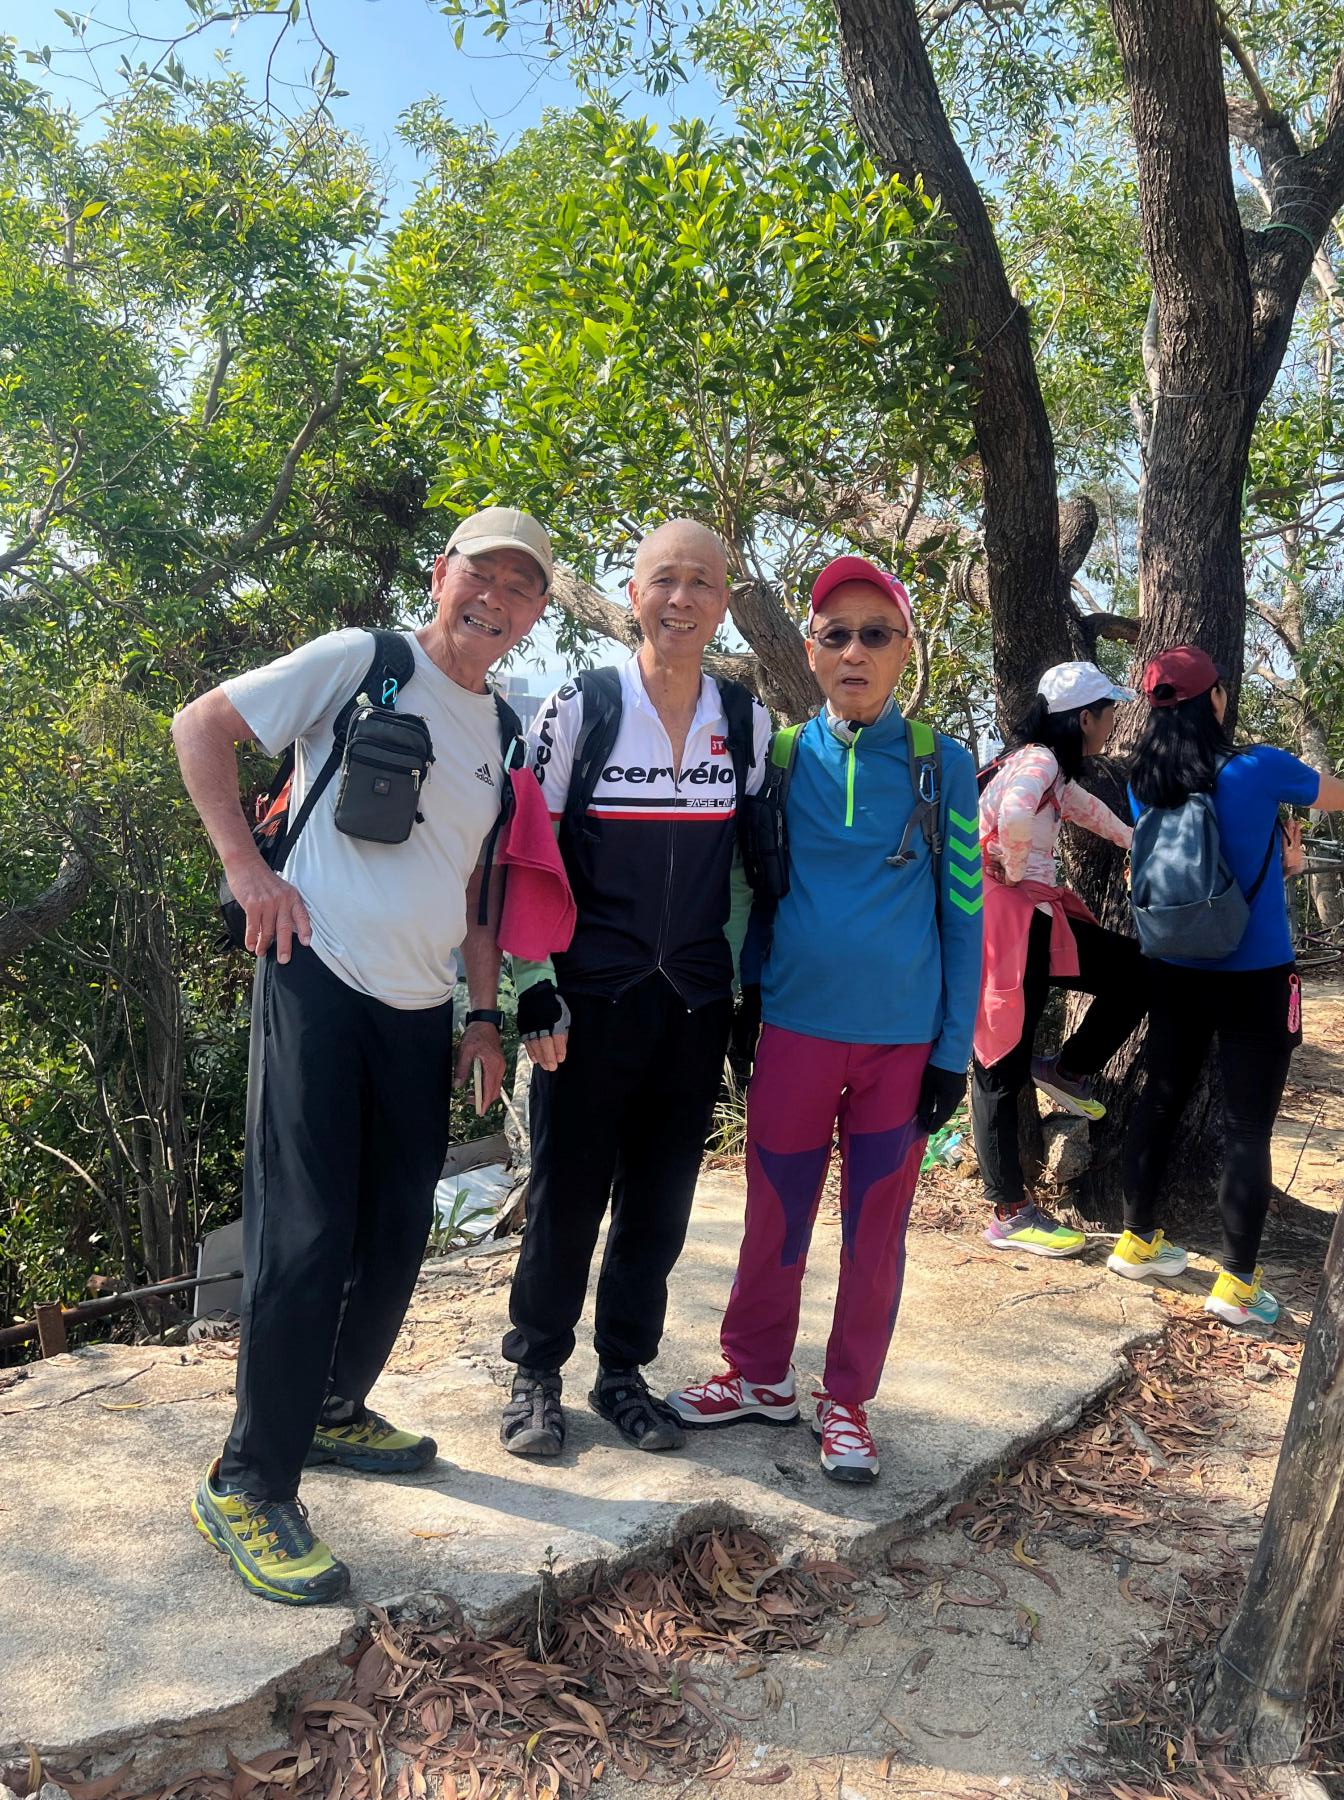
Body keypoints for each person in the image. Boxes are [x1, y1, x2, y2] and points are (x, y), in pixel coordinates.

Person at [172, 506, 553, 1603]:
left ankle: (334, 1407)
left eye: (521, 587)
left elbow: (475, 892)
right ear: (442, 575)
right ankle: (249, 1481)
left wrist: (484, 1017)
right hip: (316, 972)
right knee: (305, 1231)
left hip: (420, 1006)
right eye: (482, 575)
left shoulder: (504, 730)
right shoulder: (363, 663)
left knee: (394, 1230)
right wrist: (247, 872)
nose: (496, 600)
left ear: (536, 612)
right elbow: (201, 727)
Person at [667, 556, 983, 1485]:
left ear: (903, 650)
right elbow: (752, 889)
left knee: (874, 1230)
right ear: (809, 651)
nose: (855, 652)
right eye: (836, 635)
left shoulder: (941, 764)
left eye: (875, 634)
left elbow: (964, 914)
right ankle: (758, 1375)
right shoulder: (780, 757)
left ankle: (846, 1401)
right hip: (796, 1031)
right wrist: (744, 1002)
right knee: (774, 1211)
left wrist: (952, 1052)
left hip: (902, 1045)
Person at [499, 519, 772, 1458]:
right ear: (633, 594)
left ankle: (623, 1373)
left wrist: (742, 993)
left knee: (659, 1206)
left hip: (692, 1002)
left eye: (701, 583)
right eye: (664, 580)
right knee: (567, 1196)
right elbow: (527, 852)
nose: (680, 599)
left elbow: (746, 873)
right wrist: (533, 985)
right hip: (589, 1001)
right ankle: (536, 1373)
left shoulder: (745, 722)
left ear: (724, 601)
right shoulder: (583, 704)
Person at [1114, 644, 1344, 1324]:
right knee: (1247, 1127)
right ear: (1214, 699)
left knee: (1160, 1099)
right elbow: (1334, 796)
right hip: (1256, 973)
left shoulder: (1144, 780)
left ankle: (1136, 1240)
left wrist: (1280, 861)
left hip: (1175, 965)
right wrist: (1288, 852)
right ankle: (1238, 1283)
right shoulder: (1258, 767)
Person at [971, 660, 1146, 1258]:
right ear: (1084, 718)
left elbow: (1084, 809)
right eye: (1108, 712)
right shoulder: (1039, 762)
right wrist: (1016, 866)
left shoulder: (1043, 766)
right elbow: (1017, 813)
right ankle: (1009, 1211)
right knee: (1000, 1057)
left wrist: (1135, 840)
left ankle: (1067, 1070)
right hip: (1010, 918)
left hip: (1035, 917)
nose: (1113, 722)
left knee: (1134, 972)